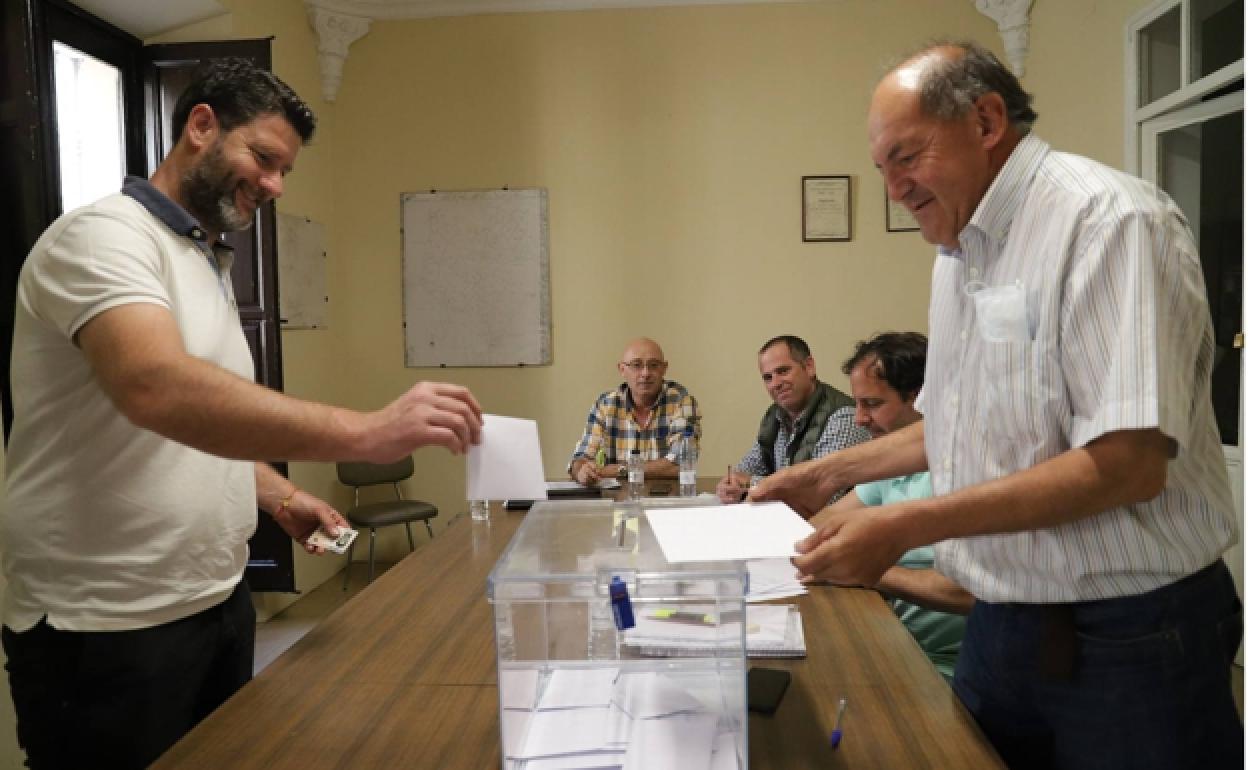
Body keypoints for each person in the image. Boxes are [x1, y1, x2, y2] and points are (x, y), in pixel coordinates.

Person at [753, 41, 1242, 769]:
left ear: (985, 121)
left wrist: (902, 522)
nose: (894, 187)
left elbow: (1128, 465)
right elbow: (955, 425)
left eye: (906, 157)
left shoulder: (1108, 221)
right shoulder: (959, 254)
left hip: (1129, 636)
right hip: (1001, 622)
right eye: (881, 168)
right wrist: (828, 476)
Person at [3, 59, 483, 769]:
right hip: (106, 625)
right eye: (263, 158)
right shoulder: (102, 238)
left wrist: (276, 493)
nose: (274, 185)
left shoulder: (205, 260)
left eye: (284, 169)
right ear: (200, 125)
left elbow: (195, 426)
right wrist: (368, 430)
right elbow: (157, 389)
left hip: (214, 602)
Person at [808, 331, 972, 681]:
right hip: (891, 643)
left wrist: (867, 570)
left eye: (872, 404)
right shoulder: (890, 464)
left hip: (943, 669)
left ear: (918, 399)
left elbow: (968, 592)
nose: (859, 419)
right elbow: (823, 524)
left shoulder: (966, 469)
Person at [716, 335, 869, 505]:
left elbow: (821, 493)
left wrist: (750, 484)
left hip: (828, 525)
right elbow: (745, 469)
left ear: (809, 367)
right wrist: (731, 482)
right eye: (768, 377)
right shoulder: (775, 415)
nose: (775, 383)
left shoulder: (843, 416)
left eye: (783, 371)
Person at [568, 337, 700, 485]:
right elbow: (580, 458)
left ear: (664, 369)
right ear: (622, 370)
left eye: (653, 365)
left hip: (667, 499)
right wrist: (582, 472)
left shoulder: (681, 401)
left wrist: (620, 470)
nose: (645, 373)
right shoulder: (605, 404)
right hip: (617, 501)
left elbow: (681, 464)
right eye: (636, 365)